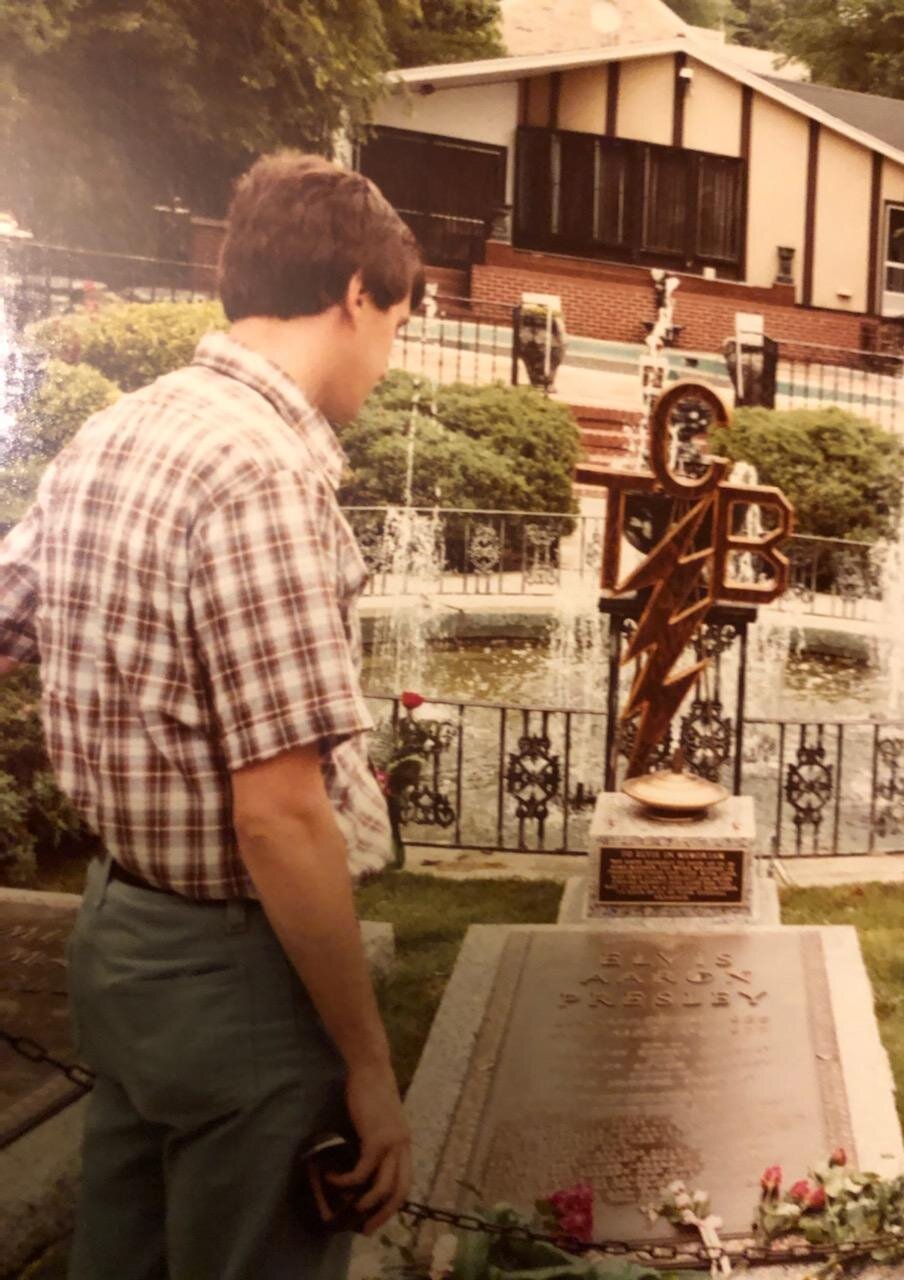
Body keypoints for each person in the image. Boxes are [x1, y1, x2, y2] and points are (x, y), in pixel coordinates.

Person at [0, 151, 425, 1279]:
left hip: (120, 936)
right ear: (353, 294)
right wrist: (369, 1063)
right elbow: (279, 818)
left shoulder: (116, 432)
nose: (390, 356)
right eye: (397, 320)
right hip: (235, 973)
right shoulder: (260, 474)